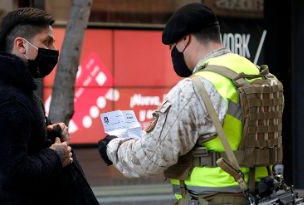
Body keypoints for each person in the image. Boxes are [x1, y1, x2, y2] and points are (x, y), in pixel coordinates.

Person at [98, 3, 283, 205]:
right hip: (262, 195)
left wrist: (112, 148)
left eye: (173, 46)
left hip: (212, 197)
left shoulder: (196, 88)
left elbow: (149, 157)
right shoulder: (261, 75)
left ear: (185, 39)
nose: (173, 53)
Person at [0, 8, 99, 205]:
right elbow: (12, 173)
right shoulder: (7, 99)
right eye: (47, 41)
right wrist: (56, 155)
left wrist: (45, 134)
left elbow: (4, 146)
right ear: (21, 45)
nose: (53, 49)